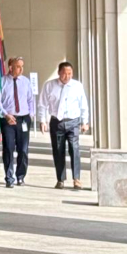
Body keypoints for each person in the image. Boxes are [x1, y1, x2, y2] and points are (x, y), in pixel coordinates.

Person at [37, 61, 90, 189]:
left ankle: (76, 179)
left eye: (70, 73)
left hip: (73, 121)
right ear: (59, 73)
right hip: (57, 122)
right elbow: (42, 104)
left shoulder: (77, 86)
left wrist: (85, 122)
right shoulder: (49, 85)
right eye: (64, 73)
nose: (67, 76)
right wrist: (42, 121)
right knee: (58, 150)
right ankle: (60, 179)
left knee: (74, 149)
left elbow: (83, 104)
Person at [0, 56, 34, 187]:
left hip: (23, 119)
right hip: (8, 120)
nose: (21, 69)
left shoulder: (26, 82)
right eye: (18, 66)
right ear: (10, 67)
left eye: (22, 66)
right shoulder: (2, 81)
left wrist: (31, 115)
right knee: (8, 148)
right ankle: (9, 178)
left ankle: (20, 176)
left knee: (23, 149)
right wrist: (6, 114)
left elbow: (30, 99)